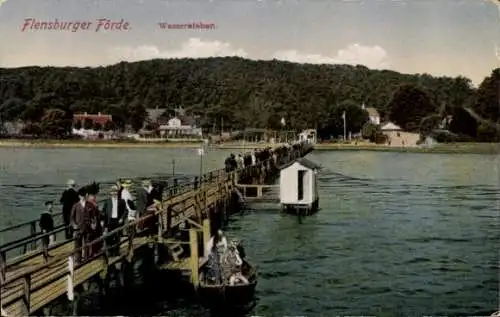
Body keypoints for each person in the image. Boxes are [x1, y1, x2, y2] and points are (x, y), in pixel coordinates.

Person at [101, 185, 127, 256]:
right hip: (110, 221)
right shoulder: (107, 201)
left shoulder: (121, 201)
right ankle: (110, 251)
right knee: (109, 237)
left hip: (117, 221)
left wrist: (122, 218)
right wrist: (102, 221)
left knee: (117, 237)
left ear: (117, 192)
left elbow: (125, 211)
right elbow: (103, 212)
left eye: (115, 192)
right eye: (113, 192)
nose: (114, 193)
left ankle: (116, 251)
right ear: (111, 193)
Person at [70, 188, 89, 263]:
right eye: (81, 196)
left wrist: (92, 223)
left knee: (87, 243)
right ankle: (78, 260)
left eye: (83, 195)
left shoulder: (88, 204)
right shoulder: (76, 205)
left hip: (87, 227)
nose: (82, 197)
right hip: (78, 228)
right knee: (78, 245)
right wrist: (74, 225)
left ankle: (87, 258)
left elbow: (92, 216)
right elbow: (71, 217)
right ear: (79, 196)